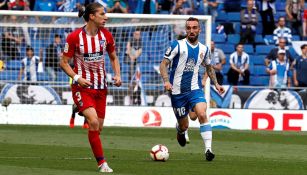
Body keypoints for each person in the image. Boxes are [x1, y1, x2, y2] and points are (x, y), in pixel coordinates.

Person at [60, 2, 121, 173]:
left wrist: (118, 75)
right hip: (82, 88)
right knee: (93, 123)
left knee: (98, 128)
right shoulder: (74, 37)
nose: (106, 17)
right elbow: (63, 63)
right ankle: (102, 163)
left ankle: (81, 109)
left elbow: (114, 57)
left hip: (101, 88)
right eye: (102, 14)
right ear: (92, 16)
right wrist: (77, 78)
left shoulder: (107, 36)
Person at [159, 17, 224, 161]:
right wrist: (166, 81)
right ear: (186, 30)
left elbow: (209, 67)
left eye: (194, 28)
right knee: (185, 125)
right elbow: (163, 64)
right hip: (177, 93)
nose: (191, 30)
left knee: (201, 114)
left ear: (199, 30)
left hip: (195, 89)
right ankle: (180, 130)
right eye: (189, 28)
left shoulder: (204, 49)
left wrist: (217, 84)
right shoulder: (177, 45)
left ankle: (208, 150)